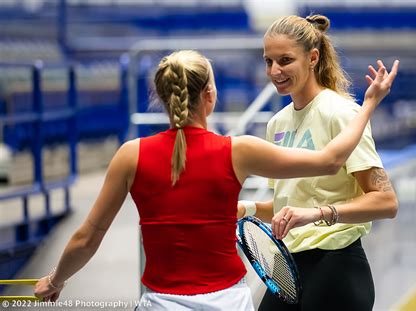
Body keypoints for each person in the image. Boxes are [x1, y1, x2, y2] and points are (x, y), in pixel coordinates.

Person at [33, 49, 397, 310]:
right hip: (228, 301)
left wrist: (56, 280)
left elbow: (87, 237)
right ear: (210, 96)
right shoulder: (237, 151)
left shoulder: (131, 154)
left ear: (162, 97)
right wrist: (368, 105)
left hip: (160, 302)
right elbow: (331, 161)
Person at [236, 14, 400, 311]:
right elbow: (287, 205)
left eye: (285, 60)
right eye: (268, 61)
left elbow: (386, 202)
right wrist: (245, 208)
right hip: (286, 265)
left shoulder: (342, 114)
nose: (275, 71)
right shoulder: (277, 124)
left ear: (312, 58)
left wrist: (319, 214)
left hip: (336, 265)